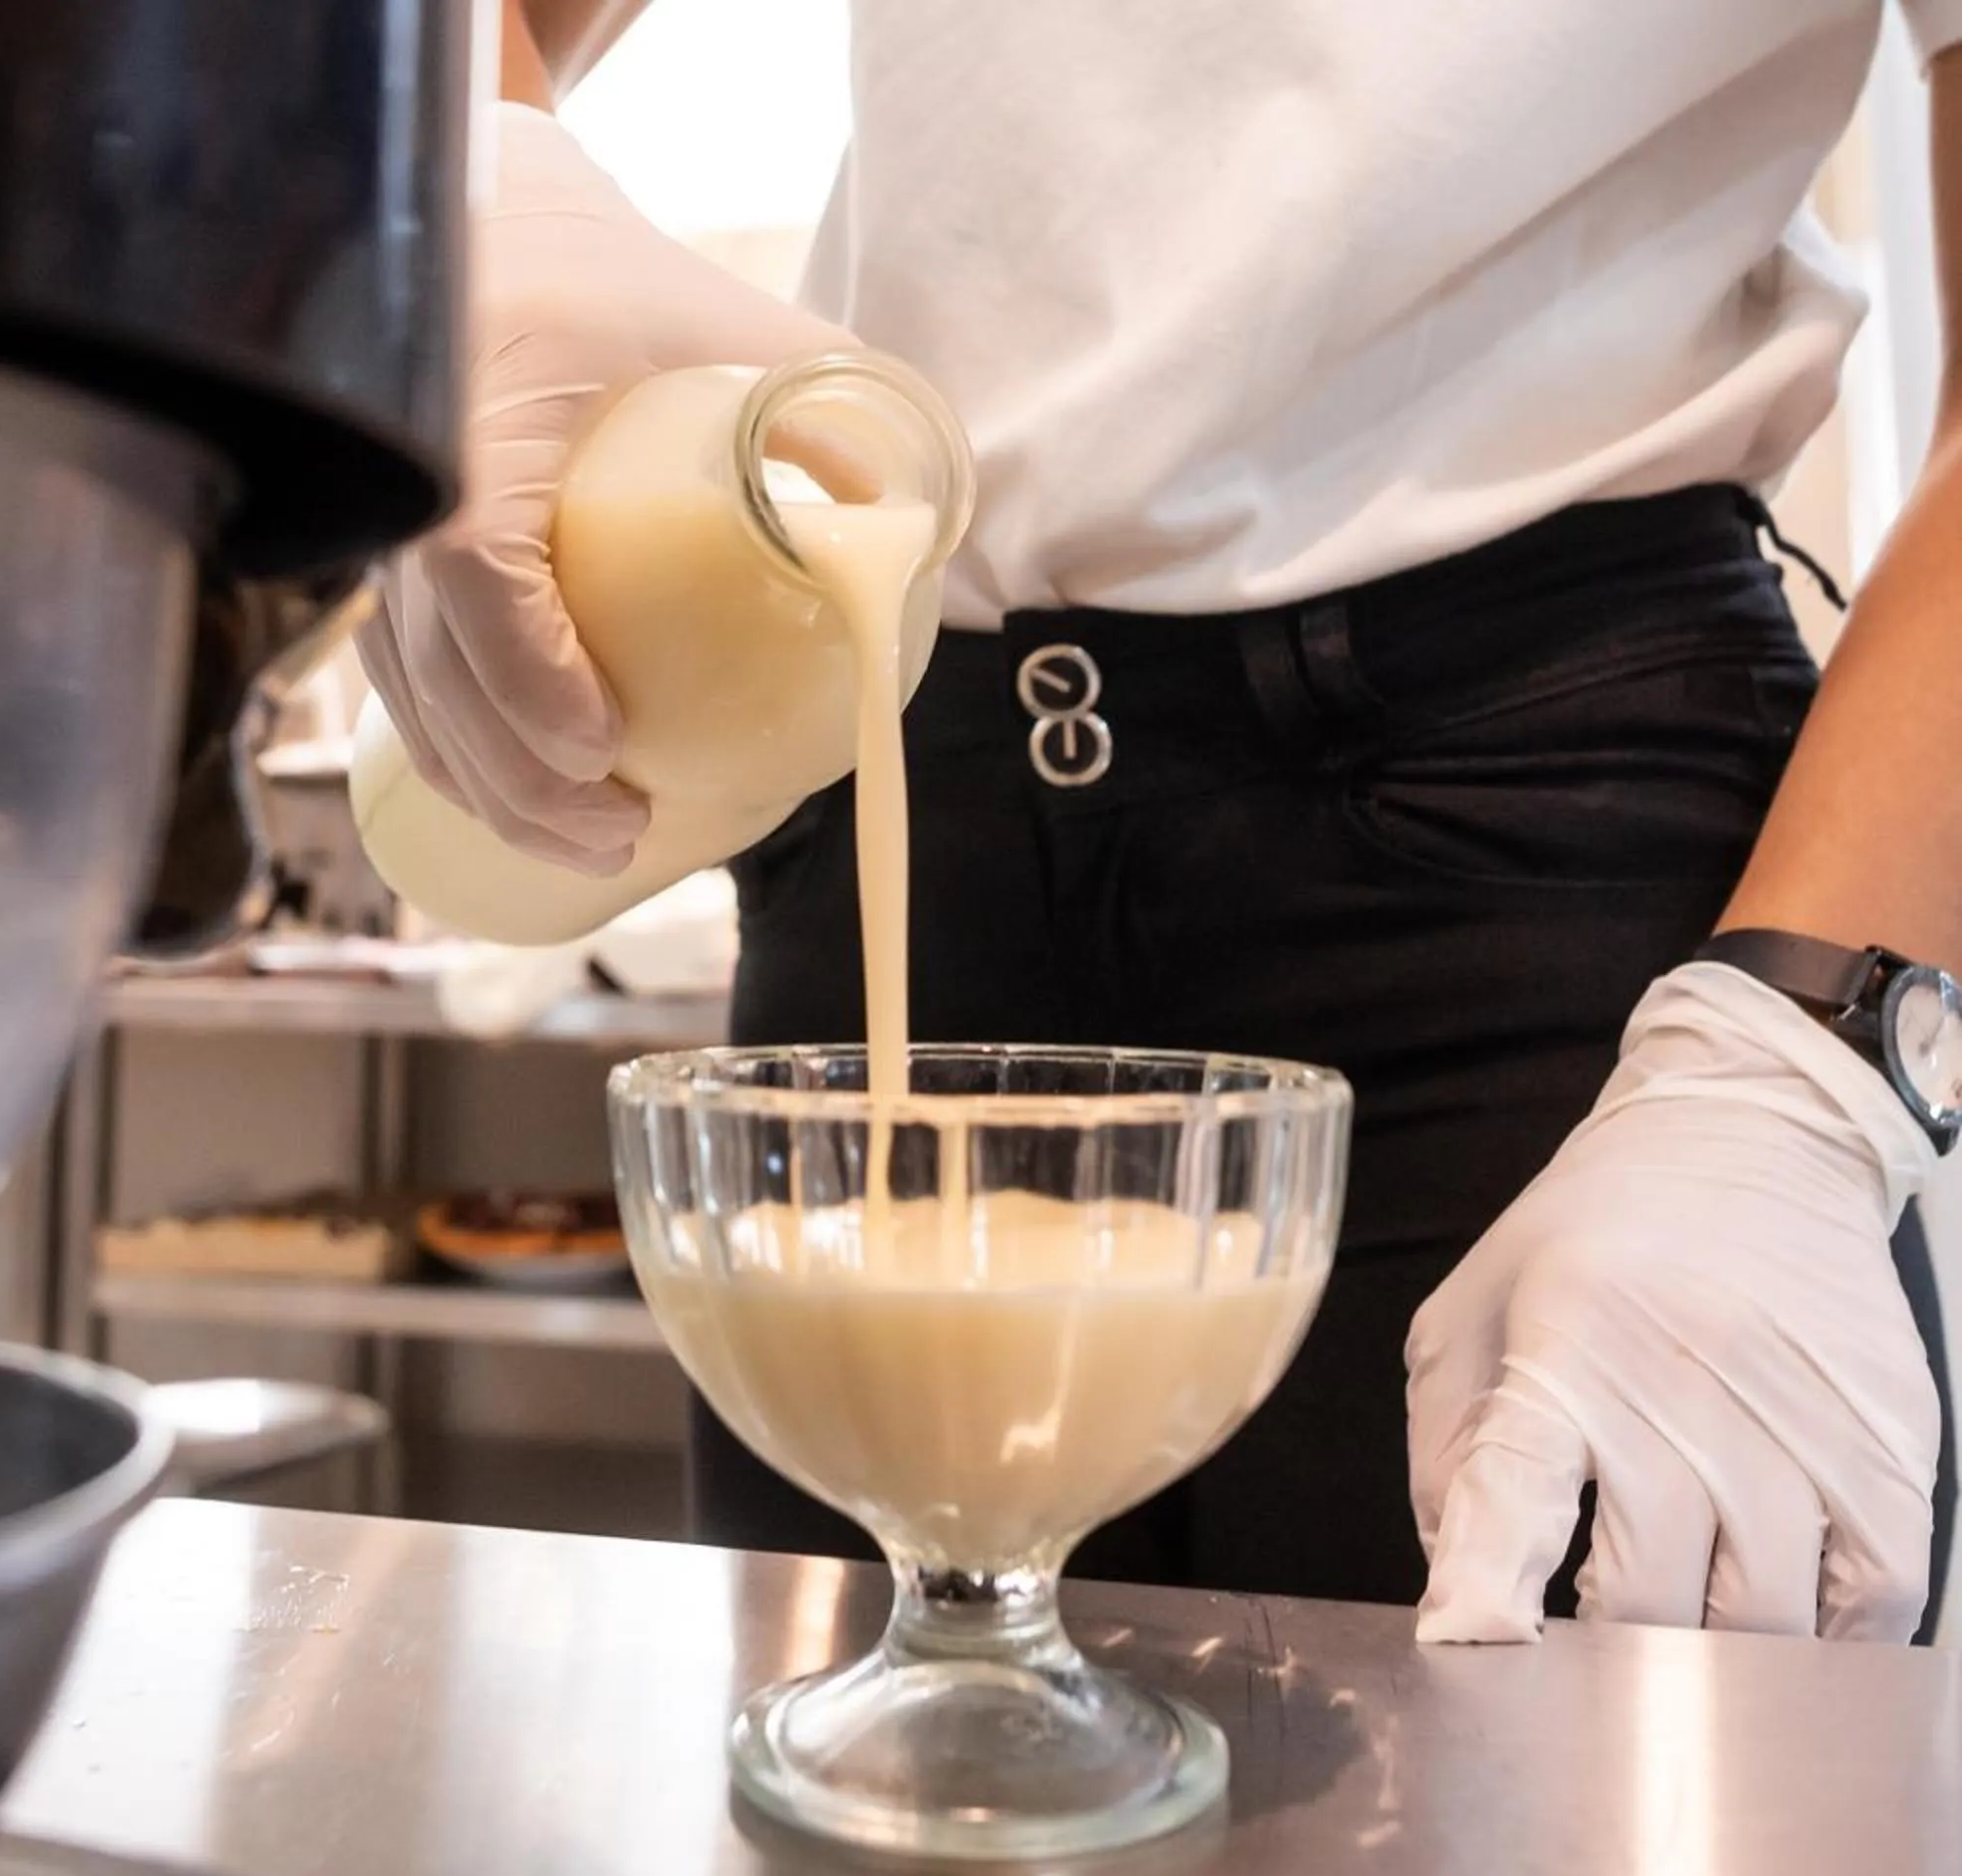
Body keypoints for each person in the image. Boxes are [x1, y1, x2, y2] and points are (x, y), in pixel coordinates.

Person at [359, 0, 1962, 1643]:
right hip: (903, 792)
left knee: (1542, 1769)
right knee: (871, 1785)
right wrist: (473, 189)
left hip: (1542, 868)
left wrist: (1792, 1064)